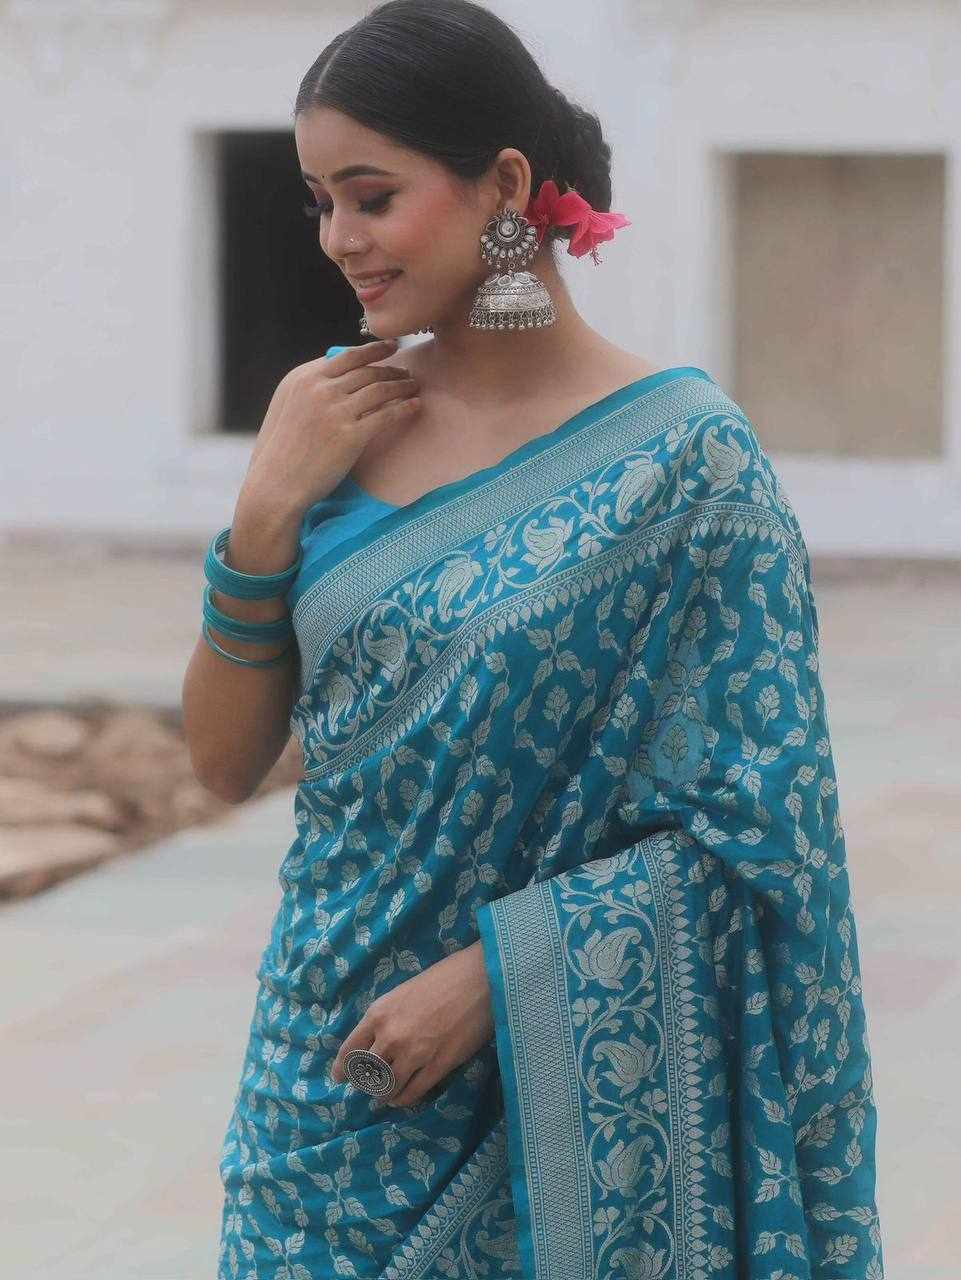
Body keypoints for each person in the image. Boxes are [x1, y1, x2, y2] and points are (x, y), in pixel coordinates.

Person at [181, 2, 885, 1276]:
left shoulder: (686, 464)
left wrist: (498, 976)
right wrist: (265, 508)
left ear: (505, 186)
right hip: (323, 1079)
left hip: (561, 1099)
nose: (339, 239)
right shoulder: (328, 422)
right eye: (319, 203)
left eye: (372, 197)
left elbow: (764, 833)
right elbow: (224, 765)